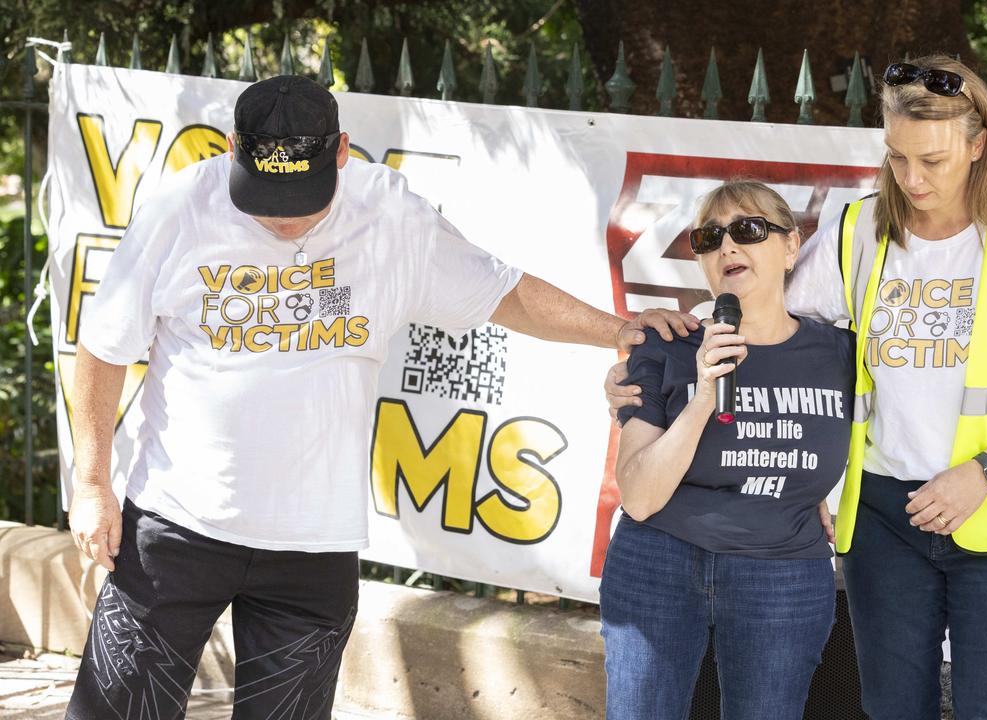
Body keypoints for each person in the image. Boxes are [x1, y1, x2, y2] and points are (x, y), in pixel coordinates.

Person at [65, 75, 694, 719]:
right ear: (232, 149)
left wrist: (620, 331)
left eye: (300, 196)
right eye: (263, 193)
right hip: (176, 527)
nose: (281, 216)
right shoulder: (181, 208)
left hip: (311, 549)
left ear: (341, 153)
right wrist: (91, 484)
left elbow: (500, 291)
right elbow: (105, 345)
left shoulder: (389, 214)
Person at [607, 54, 987, 719]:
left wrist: (982, 474)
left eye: (933, 160)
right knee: (893, 709)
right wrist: (666, 347)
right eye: (898, 157)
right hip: (884, 522)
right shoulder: (858, 228)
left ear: (979, 146)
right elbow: (765, 312)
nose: (912, 178)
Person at [600, 180, 854, 719]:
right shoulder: (667, 346)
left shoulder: (842, 354)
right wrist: (703, 396)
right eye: (710, 238)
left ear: (792, 247)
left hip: (782, 573)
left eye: (748, 230)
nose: (727, 248)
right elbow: (641, 497)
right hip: (660, 560)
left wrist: (815, 494)